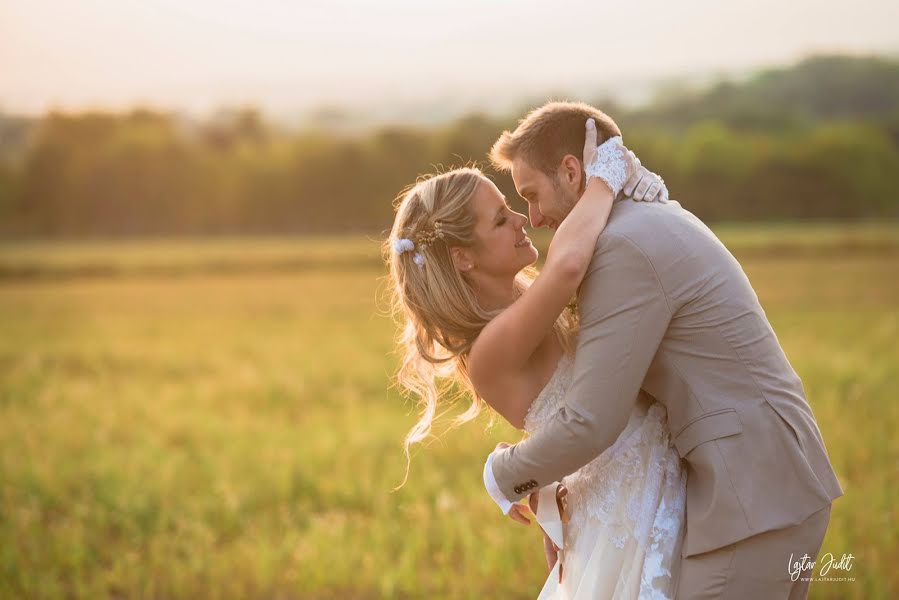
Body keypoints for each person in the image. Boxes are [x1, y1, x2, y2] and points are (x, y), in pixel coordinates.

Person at [482, 101, 844, 599]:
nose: (534, 217)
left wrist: (502, 476)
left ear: (571, 171)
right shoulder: (644, 219)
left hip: (752, 494)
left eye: (532, 195)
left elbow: (592, 420)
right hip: (766, 485)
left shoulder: (621, 247)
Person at [385, 117, 684, 597]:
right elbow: (567, 265)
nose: (523, 220)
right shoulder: (489, 351)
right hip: (629, 496)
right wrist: (605, 180)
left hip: (643, 474)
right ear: (464, 258)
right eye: (502, 219)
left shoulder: (526, 305)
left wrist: (539, 482)